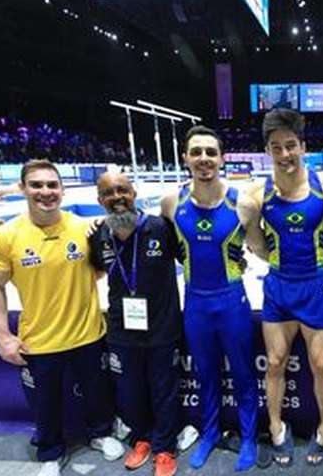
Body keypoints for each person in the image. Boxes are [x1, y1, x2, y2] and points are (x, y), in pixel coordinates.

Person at [0, 159, 123, 476]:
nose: (45, 192)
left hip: (88, 334)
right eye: (36, 185)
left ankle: (100, 434)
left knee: (98, 394)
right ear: (22, 189)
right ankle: (50, 452)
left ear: (62, 188)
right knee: (44, 405)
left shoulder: (84, 228)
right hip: (39, 340)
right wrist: (2, 336)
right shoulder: (3, 236)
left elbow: (99, 270)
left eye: (52, 185)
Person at [160, 125, 265, 471]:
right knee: (205, 374)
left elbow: (263, 249)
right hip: (196, 305)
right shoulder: (171, 203)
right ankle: (209, 433)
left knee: (243, 373)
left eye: (210, 152)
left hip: (232, 303)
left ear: (221, 158)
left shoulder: (243, 204)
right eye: (196, 152)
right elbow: (164, 246)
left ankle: (249, 438)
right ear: (185, 158)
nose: (203, 158)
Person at [245, 108, 323, 467]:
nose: (284, 154)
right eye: (276, 147)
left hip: (316, 283)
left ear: (303, 146)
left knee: (322, 364)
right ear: (267, 150)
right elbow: (256, 245)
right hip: (279, 284)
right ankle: (276, 428)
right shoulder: (257, 193)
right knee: (274, 362)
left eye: (290, 145)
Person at [89, 172, 182, 476]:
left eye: (122, 190)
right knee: (130, 391)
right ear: (100, 200)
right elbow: (95, 271)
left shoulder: (161, 228)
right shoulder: (98, 235)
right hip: (121, 330)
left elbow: (191, 257)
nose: (117, 197)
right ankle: (142, 438)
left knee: (164, 391)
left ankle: (165, 447)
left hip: (162, 328)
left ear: (134, 193)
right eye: (108, 193)